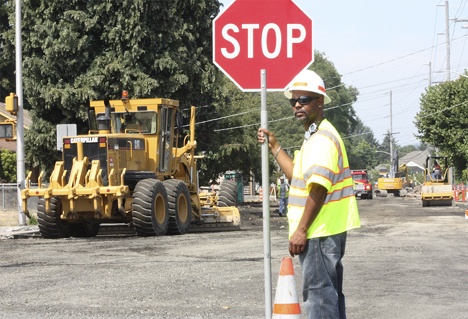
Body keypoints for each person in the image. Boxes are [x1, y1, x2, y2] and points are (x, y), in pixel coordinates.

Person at [257, 69, 360, 319]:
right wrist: (276, 147)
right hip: (323, 230)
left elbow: (319, 188)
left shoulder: (322, 139)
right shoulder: (314, 136)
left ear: (320, 101)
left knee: (320, 297)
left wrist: (301, 230)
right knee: (329, 294)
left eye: (304, 99)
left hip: (318, 231)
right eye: (294, 100)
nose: (297, 105)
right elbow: (298, 177)